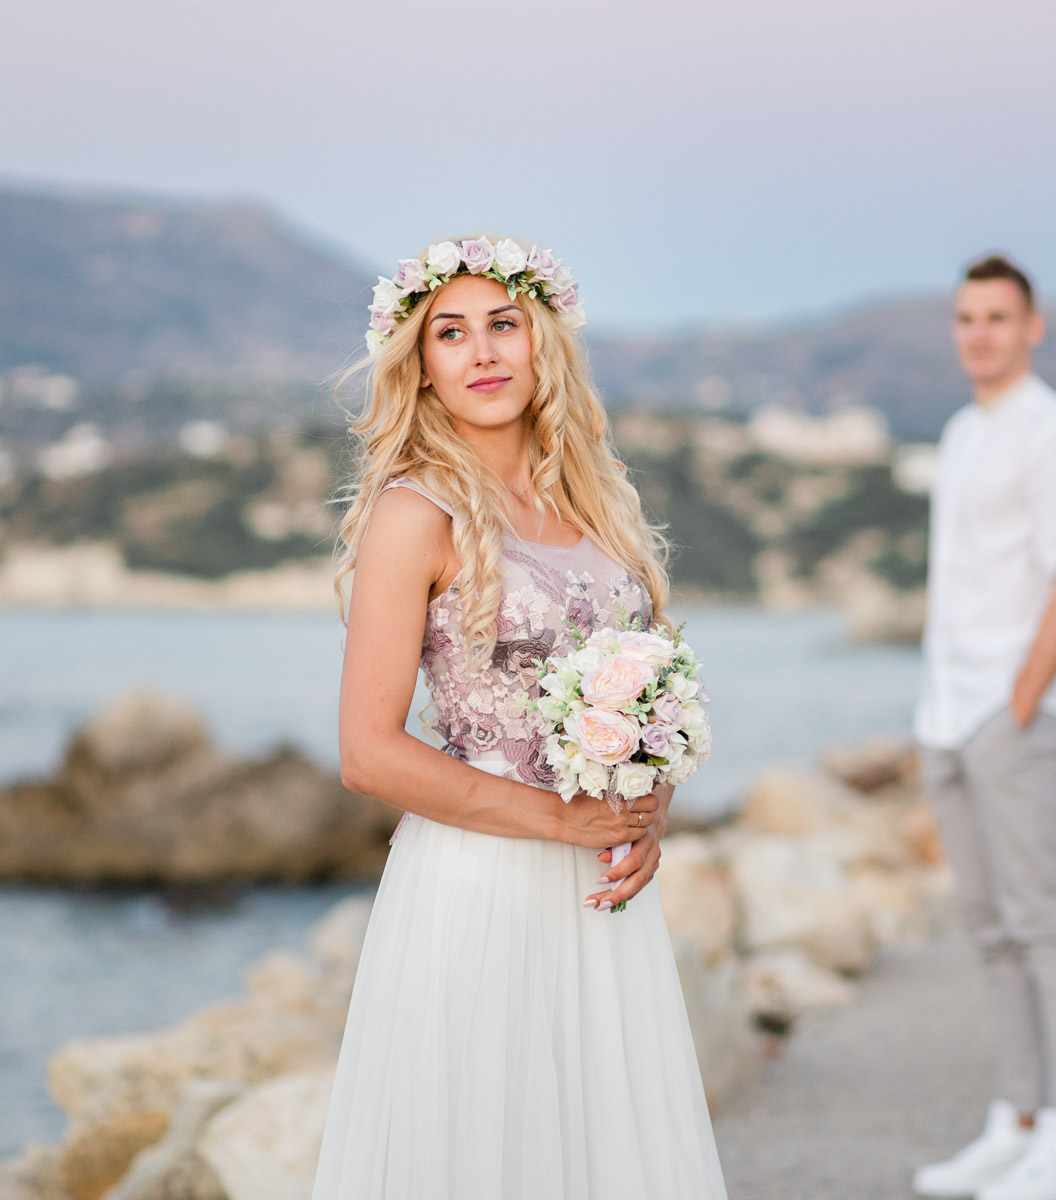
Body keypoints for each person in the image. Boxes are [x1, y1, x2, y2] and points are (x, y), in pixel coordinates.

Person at [311, 236, 728, 1199]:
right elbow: (367, 753)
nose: (483, 351)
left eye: (503, 325)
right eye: (451, 333)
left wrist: (647, 801)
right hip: (479, 882)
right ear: (421, 365)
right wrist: (559, 821)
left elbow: (643, 683)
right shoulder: (413, 516)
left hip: (602, 886)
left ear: (542, 344)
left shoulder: (596, 507)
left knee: (600, 1149)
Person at [910, 256, 1056, 1200]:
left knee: (1045, 926)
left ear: (1032, 327)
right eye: (966, 317)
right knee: (990, 928)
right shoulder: (958, 433)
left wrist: (1020, 702)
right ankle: (1019, 1120)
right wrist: (943, 712)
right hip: (945, 714)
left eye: (998, 316)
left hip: (1010, 715)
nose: (980, 332)